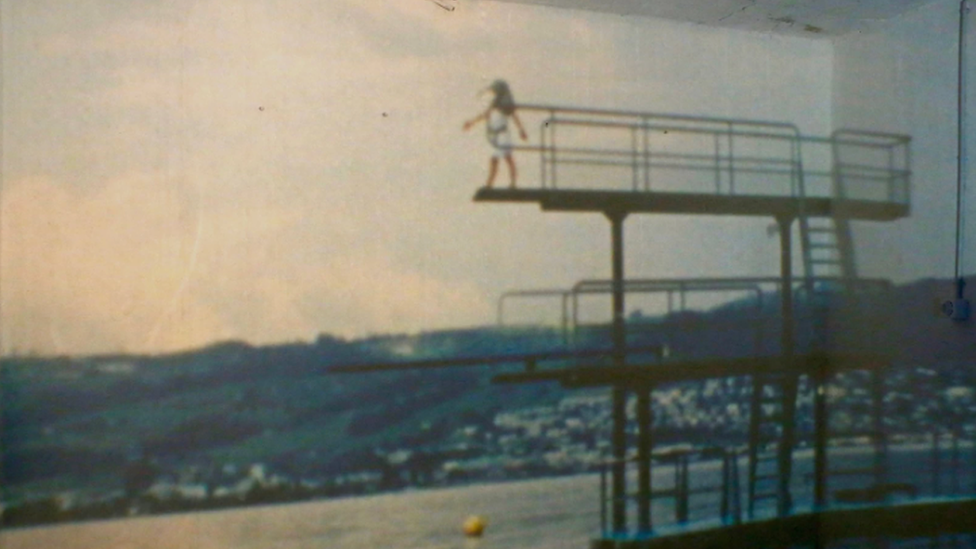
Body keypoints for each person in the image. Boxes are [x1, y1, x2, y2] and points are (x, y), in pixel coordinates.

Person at [463, 79, 527, 188]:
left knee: (504, 158)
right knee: (499, 159)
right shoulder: (494, 104)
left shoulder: (506, 104)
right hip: (495, 135)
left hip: (503, 134)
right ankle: (493, 183)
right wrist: (472, 122)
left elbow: (515, 117)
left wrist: (521, 130)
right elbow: (485, 115)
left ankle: (508, 183)